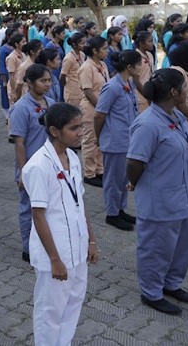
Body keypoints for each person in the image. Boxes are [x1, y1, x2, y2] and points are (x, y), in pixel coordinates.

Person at [127, 68, 188, 315]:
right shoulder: (148, 123)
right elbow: (134, 163)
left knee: (183, 245)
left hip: (186, 196)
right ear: (173, 92)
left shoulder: (176, 115)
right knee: (157, 248)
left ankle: (171, 283)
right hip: (161, 200)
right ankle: (151, 292)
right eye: (184, 85)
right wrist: (137, 185)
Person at [22, 103, 98, 346]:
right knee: (50, 312)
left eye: (81, 126)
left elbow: (80, 200)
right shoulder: (38, 166)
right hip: (55, 252)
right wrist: (55, 258)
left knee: (74, 303)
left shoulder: (72, 158)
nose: (80, 132)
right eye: (73, 128)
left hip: (77, 247)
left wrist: (91, 239)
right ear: (54, 131)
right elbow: (38, 215)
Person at [10, 64, 55, 262]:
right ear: (29, 83)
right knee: (28, 208)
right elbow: (19, 143)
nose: (47, 84)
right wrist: (22, 172)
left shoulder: (51, 103)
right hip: (31, 166)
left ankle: (46, 243)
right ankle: (28, 248)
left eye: (49, 80)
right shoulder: (21, 108)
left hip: (50, 164)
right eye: (42, 81)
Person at [94, 50, 141, 231]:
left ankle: (120, 209)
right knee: (113, 180)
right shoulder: (112, 86)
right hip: (115, 141)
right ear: (129, 67)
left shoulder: (128, 83)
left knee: (123, 179)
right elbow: (99, 115)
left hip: (127, 139)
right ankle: (112, 214)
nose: (141, 67)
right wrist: (99, 138)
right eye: (138, 64)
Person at [78, 37, 110, 187]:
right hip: (92, 108)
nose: (107, 51)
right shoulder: (86, 67)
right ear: (95, 51)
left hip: (101, 107)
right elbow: (88, 91)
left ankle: (99, 169)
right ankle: (89, 173)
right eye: (104, 48)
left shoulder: (102, 65)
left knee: (100, 140)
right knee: (90, 140)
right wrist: (101, 107)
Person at [60, 33, 86, 108]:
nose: (85, 45)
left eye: (85, 42)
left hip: (81, 90)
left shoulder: (82, 54)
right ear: (74, 45)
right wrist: (69, 86)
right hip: (72, 93)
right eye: (82, 43)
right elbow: (62, 76)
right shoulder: (68, 58)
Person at [133, 31, 155, 113]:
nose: (152, 43)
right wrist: (147, 95)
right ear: (141, 43)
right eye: (150, 41)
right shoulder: (135, 57)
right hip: (141, 95)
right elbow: (136, 80)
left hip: (150, 92)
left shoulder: (150, 55)